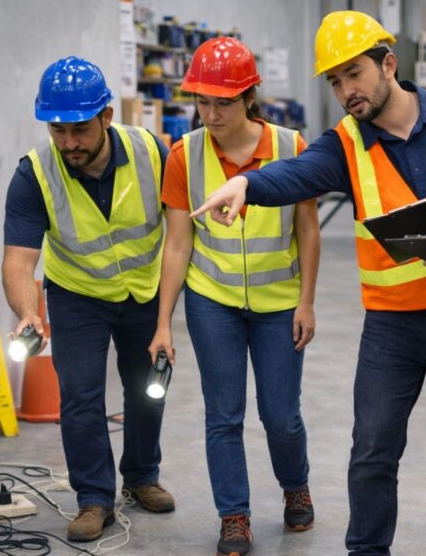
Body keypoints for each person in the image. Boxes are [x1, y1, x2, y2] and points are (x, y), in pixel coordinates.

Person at [191, 11, 426, 556]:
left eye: (353, 74)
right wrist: (246, 185)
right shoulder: (345, 144)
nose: (345, 91)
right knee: (373, 449)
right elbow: (296, 173)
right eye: (334, 81)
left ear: (388, 64)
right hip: (394, 321)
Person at [148, 36, 320, 556]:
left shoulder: (291, 149)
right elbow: (177, 245)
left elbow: (308, 231)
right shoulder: (184, 156)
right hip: (212, 301)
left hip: (279, 303)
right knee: (222, 415)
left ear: (250, 96)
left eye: (223, 101)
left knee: (280, 416)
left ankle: (296, 485)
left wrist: (307, 301)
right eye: (202, 101)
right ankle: (234, 516)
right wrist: (163, 324)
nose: (211, 113)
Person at [2, 56, 176, 543]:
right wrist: (27, 312)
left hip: (143, 290)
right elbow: (18, 261)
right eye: (58, 130)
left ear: (106, 117)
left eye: (79, 129)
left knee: (147, 387)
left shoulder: (151, 152)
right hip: (77, 294)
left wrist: (168, 311)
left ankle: (141, 477)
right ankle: (93, 498)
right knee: (80, 396)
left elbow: (179, 231)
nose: (69, 143)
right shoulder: (34, 174)